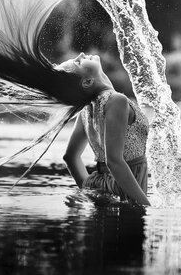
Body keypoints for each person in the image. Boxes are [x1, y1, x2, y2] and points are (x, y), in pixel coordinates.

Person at [56, 53, 151, 206]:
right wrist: (146, 206)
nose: (80, 55)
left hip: (103, 184)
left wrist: (89, 188)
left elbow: (70, 157)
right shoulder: (116, 100)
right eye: (78, 63)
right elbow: (113, 161)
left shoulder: (87, 109)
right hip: (124, 189)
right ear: (87, 81)